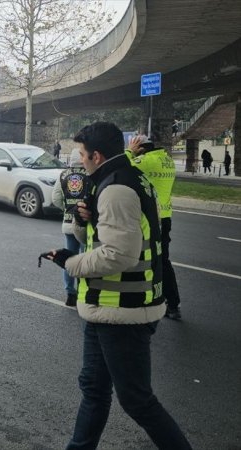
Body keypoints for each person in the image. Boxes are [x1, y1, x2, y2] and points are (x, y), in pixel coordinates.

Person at [42, 122, 191, 450]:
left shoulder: (116, 189)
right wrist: (84, 222)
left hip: (124, 309)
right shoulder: (117, 180)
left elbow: (118, 255)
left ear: (96, 155)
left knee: (137, 401)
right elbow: (99, 238)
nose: (79, 161)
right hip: (106, 306)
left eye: (82, 154)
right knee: (94, 390)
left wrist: (70, 262)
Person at [128, 134, 182, 319]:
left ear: (140, 148)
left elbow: (119, 167)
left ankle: (143, 299)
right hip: (166, 216)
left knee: (142, 258)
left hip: (149, 217)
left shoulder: (144, 161)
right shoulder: (168, 160)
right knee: (163, 260)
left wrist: (129, 152)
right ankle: (173, 304)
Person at [50, 148, 92, 306]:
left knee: (69, 259)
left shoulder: (62, 175)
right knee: (85, 260)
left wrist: (67, 209)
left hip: (68, 224)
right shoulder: (90, 175)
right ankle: (83, 292)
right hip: (85, 225)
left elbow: (55, 199)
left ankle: (70, 292)